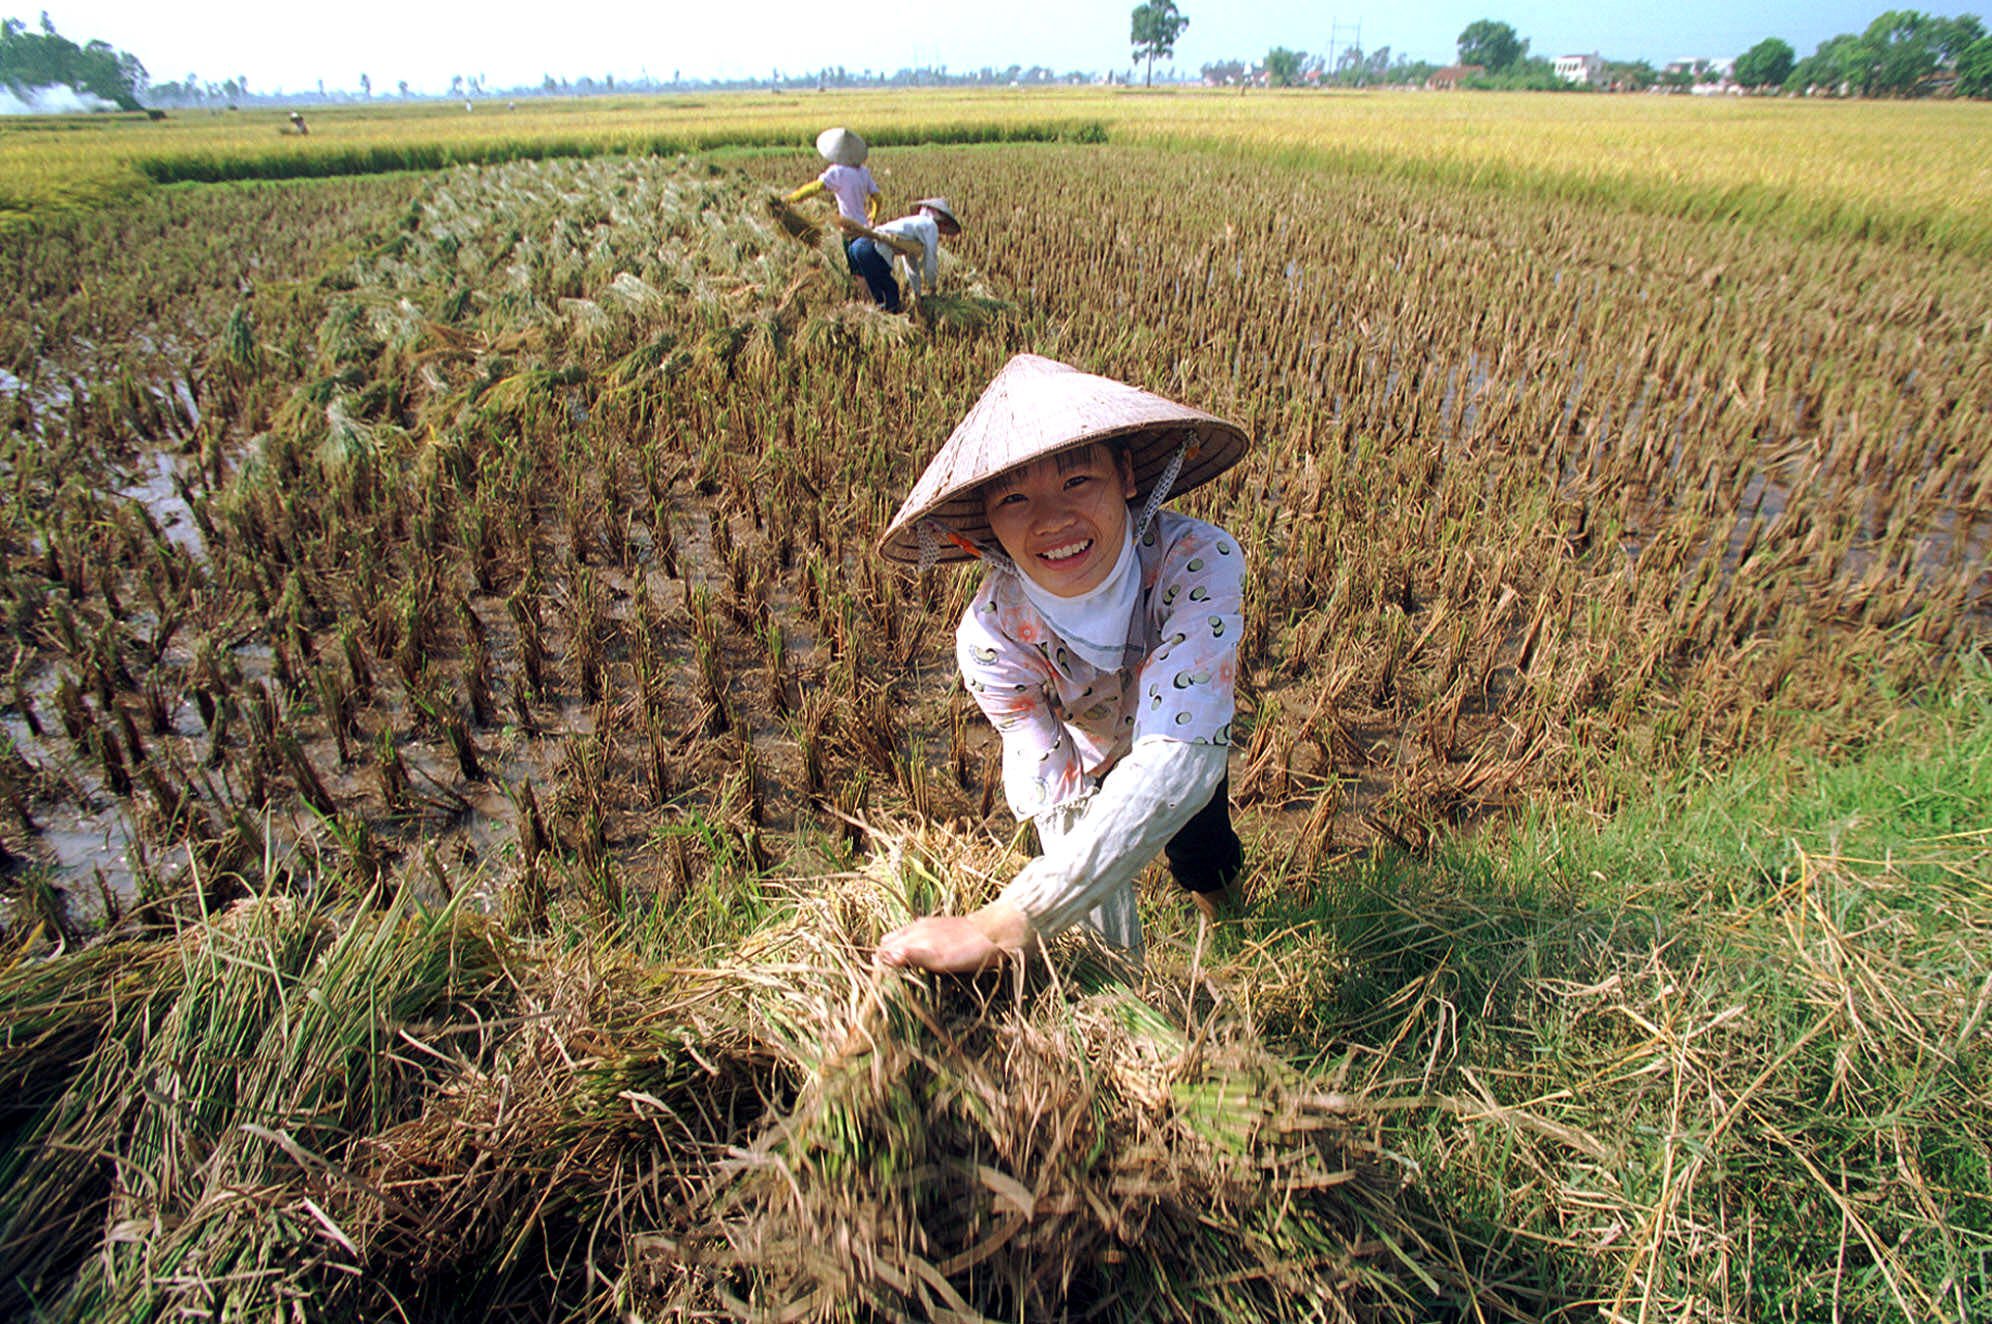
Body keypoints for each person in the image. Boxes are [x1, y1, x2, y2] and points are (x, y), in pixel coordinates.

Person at [873, 354, 1251, 973]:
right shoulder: (993, 638)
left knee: (1202, 848)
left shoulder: (1196, 561)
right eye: (1015, 498)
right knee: (1095, 881)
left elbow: (1183, 753)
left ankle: (1231, 926)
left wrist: (1004, 922)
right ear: (985, 526)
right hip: (1085, 752)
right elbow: (1060, 796)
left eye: (1077, 482)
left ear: (1126, 474)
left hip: (1179, 732)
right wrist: (1119, 982)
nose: (1052, 521)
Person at [785, 126, 884, 296]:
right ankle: (876, 299)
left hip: (849, 230)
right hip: (865, 228)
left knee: (857, 271)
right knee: (867, 266)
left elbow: (815, 188)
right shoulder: (863, 172)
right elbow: (878, 197)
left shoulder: (837, 172)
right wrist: (873, 215)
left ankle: (867, 303)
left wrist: (791, 199)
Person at [838, 197, 962, 313]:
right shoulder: (930, 226)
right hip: (870, 249)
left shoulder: (913, 226)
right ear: (941, 221)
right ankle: (889, 324)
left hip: (857, 246)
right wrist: (932, 286)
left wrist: (917, 292)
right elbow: (931, 260)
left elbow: (910, 262)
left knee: (879, 294)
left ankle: (878, 320)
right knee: (890, 292)